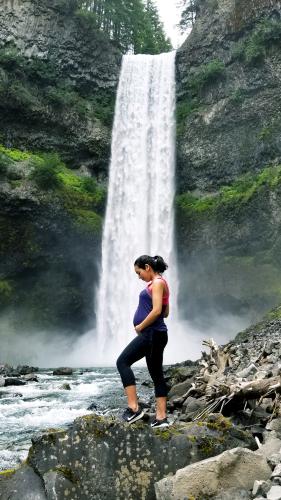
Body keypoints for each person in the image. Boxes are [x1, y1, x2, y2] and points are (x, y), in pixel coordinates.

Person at [116, 254, 170, 429]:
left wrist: (140, 326)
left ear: (147, 267)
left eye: (139, 272)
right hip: (156, 334)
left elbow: (156, 312)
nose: (138, 277)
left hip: (151, 334)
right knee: (156, 374)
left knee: (122, 362)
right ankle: (161, 418)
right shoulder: (160, 283)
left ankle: (134, 408)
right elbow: (166, 312)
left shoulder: (158, 283)